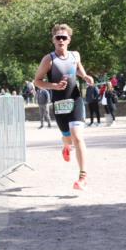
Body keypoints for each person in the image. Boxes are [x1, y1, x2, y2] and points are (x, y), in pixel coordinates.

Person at [33, 23, 94, 190]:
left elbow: (79, 71)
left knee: (78, 137)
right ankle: (66, 146)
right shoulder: (49, 59)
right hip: (59, 104)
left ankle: (82, 176)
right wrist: (53, 86)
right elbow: (36, 81)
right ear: (53, 40)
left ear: (69, 40)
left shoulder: (75, 56)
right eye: (57, 37)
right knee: (68, 138)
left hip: (75, 100)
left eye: (64, 37)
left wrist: (86, 77)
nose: (61, 40)